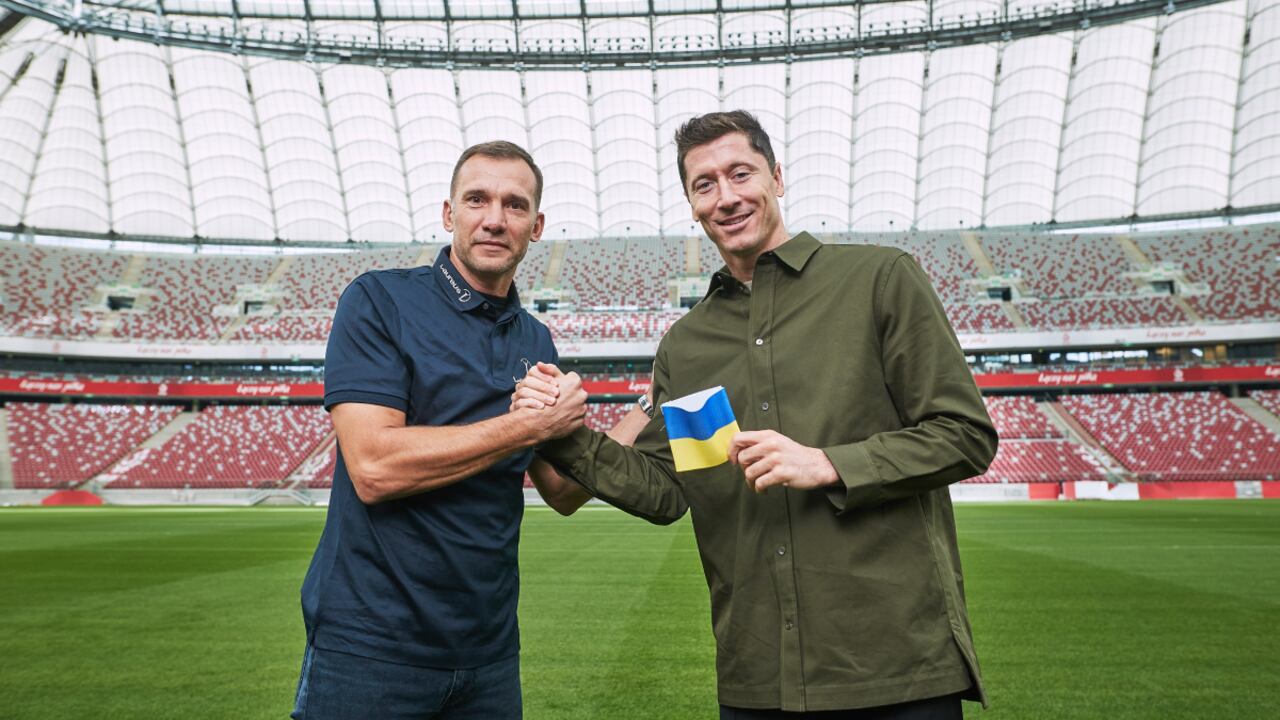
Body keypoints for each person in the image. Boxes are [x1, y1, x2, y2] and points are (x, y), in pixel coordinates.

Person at [517, 111, 998, 718]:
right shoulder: (686, 345)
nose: (725, 197)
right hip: (757, 674)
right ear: (692, 205)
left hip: (894, 665)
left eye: (739, 173)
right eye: (704, 184)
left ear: (776, 175)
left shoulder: (879, 280)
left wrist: (828, 463)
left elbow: (964, 435)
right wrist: (562, 434)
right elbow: (668, 490)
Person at [291, 140, 647, 720]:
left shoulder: (535, 340)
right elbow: (375, 468)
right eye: (477, 199)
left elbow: (562, 490)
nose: (494, 219)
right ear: (448, 213)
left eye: (514, 205)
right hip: (371, 650)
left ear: (536, 227)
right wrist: (525, 424)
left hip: (488, 654)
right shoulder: (379, 300)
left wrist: (648, 405)